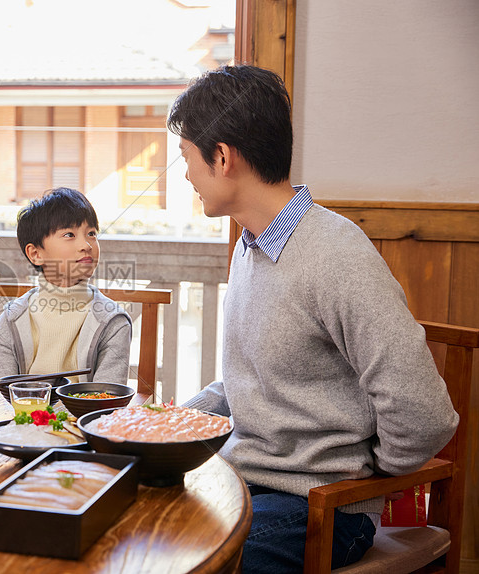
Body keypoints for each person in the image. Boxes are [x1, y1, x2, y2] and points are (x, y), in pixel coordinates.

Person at [168, 66, 458, 573]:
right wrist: (165, 423)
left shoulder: (336, 252)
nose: (185, 173)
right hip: (241, 483)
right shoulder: (250, 248)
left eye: (186, 157)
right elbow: (249, 380)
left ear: (221, 156)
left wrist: (365, 476)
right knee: (133, 536)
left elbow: (425, 414)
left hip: (316, 506)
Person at [0, 187, 132, 385]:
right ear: (36, 254)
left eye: (91, 233)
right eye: (69, 234)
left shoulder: (112, 322)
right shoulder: (11, 321)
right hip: (20, 415)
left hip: (87, 416)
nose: (86, 245)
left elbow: (106, 402)